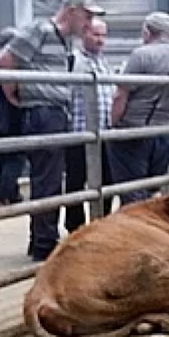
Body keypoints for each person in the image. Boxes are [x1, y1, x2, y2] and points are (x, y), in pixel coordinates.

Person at [0, 0, 104, 261]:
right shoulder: (40, 29)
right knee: (48, 180)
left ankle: (41, 241)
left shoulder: (64, 41)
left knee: (49, 178)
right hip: (44, 112)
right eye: (87, 16)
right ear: (72, 11)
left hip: (55, 111)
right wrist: (13, 93)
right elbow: (7, 59)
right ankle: (45, 244)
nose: (89, 23)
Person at [108, 12, 169, 204]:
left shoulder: (141, 54)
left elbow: (120, 95)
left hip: (134, 132)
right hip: (167, 132)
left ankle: (135, 231)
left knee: (132, 190)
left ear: (147, 32)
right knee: (155, 188)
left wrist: (114, 125)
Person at [63, 17, 115, 233]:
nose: (100, 40)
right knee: (76, 183)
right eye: (95, 34)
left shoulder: (105, 64)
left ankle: (101, 224)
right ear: (84, 33)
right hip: (78, 133)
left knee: (108, 183)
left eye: (103, 35)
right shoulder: (72, 61)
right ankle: (75, 229)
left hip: (104, 134)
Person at [0, 27, 26, 209]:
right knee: (16, 158)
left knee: (4, 158)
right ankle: (0, 195)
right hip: (12, 115)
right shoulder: (16, 65)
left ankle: (13, 193)